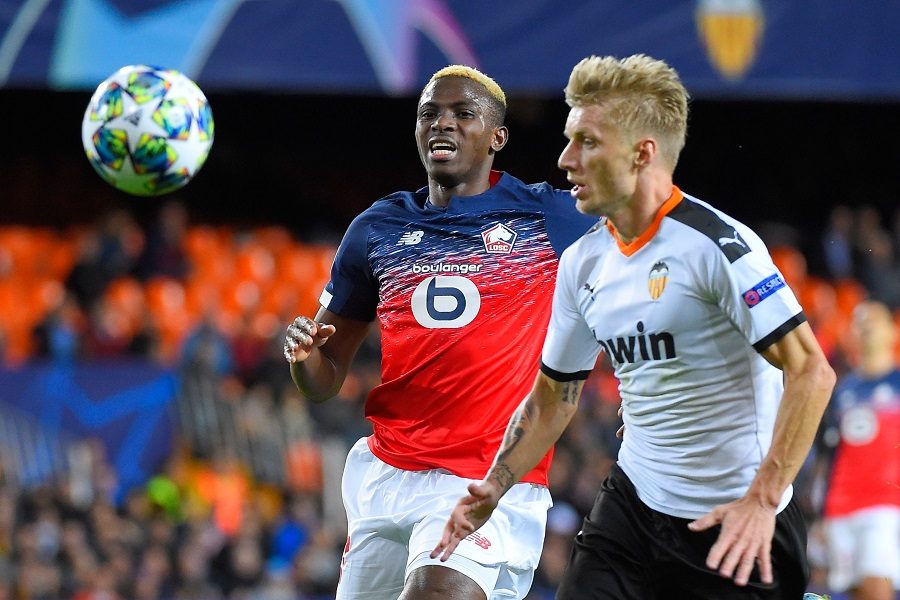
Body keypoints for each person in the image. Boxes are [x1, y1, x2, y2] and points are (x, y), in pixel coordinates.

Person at [432, 54, 836, 599]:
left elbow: (812, 372)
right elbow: (553, 398)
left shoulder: (717, 247)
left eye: (587, 143)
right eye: (569, 140)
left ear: (642, 153)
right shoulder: (583, 262)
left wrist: (763, 500)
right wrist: (493, 487)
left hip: (735, 519)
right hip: (632, 511)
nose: (566, 159)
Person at [282, 65, 596, 600]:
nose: (442, 123)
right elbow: (324, 380)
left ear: (497, 137)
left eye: (462, 113)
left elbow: (651, 240)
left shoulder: (550, 216)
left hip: (486, 477)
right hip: (387, 476)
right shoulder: (377, 229)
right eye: (429, 113)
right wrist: (304, 358)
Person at [819, 300, 899, 600]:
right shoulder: (842, 390)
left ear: (892, 331)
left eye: (873, 320)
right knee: (852, 591)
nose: (865, 328)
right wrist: (823, 508)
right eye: (859, 322)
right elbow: (831, 453)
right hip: (841, 504)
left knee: (876, 586)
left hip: (885, 503)